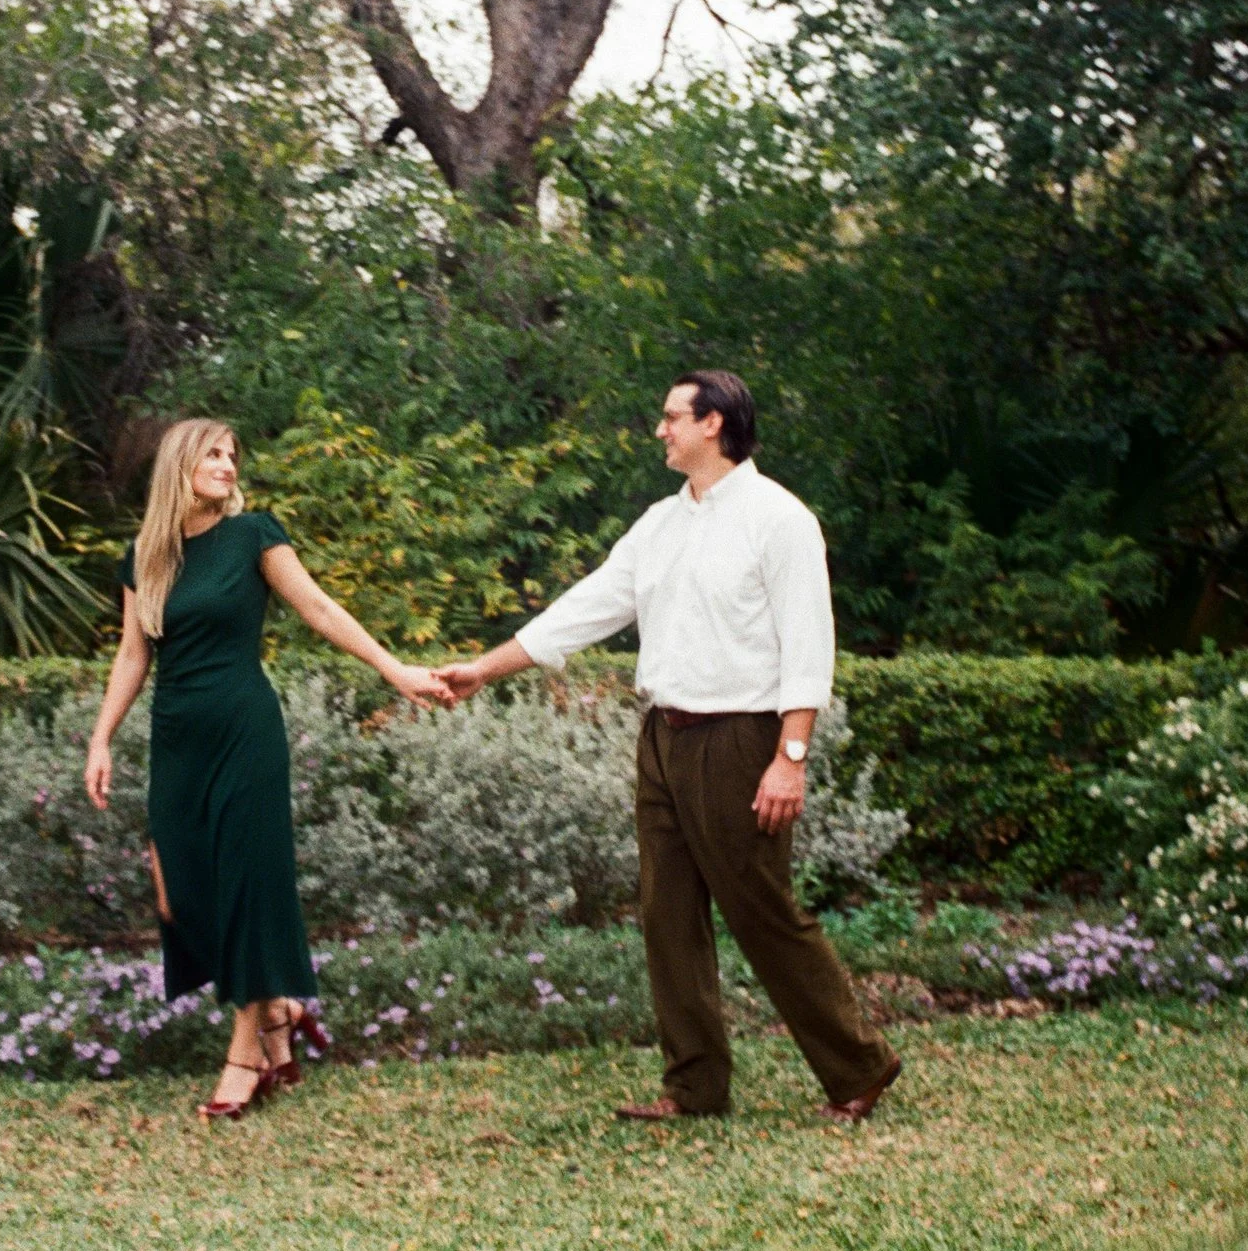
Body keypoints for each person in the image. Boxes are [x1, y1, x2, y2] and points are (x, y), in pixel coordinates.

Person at [437, 370, 901, 1124]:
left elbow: (810, 645)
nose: (660, 429)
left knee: (761, 908)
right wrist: (483, 670)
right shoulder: (659, 523)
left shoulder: (779, 519)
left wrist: (791, 756)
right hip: (663, 735)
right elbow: (587, 606)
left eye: (671, 417)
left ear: (713, 423)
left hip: (742, 736)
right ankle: (694, 1086)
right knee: (666, 911)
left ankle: (860, 1066)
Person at [83, 417, 452, 1121]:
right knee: (179, 894)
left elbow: (316, 606)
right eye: (213, 454)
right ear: (180, 465)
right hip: (176, 737)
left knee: (247, 884)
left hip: (244, 729)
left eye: (231, 455)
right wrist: (101, 739)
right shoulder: (146, 556)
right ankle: (279, 1007)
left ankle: (245, 1053)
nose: (226, 464)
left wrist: (393, 667)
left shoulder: (255, 534)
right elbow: (133, 655)